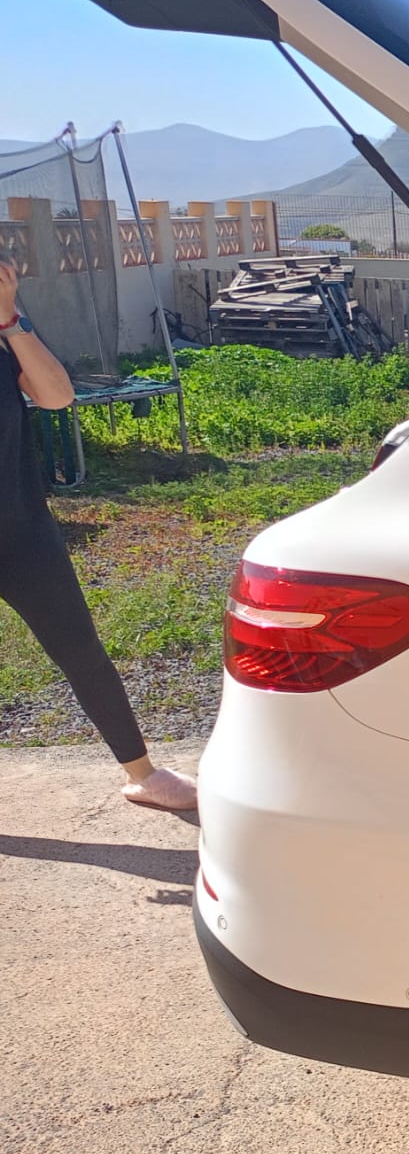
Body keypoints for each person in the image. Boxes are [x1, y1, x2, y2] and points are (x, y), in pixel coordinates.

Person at [0, 257, 197, 812]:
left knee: (80, 648)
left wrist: (11, 322)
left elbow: (56, 397)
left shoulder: (6, 334)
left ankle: (144, 775)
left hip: (20, 531)